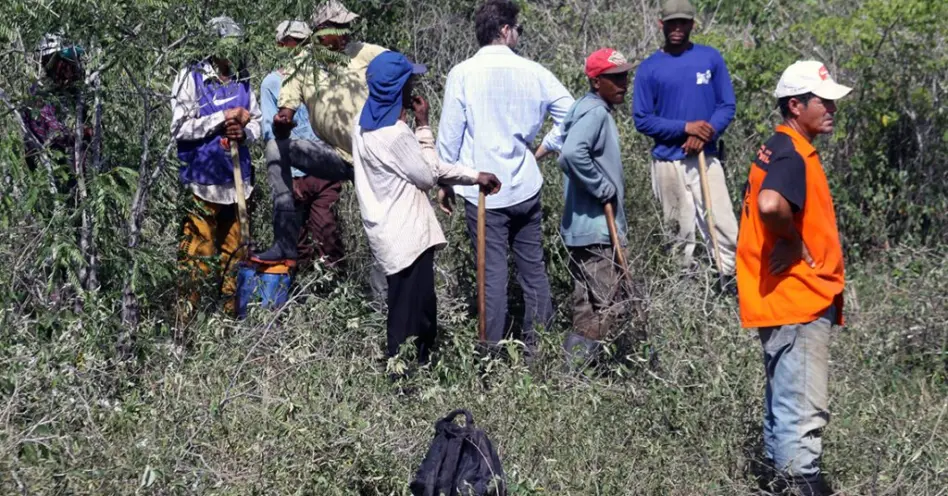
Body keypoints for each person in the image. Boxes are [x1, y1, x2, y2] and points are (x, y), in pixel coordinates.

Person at [736, 60, 852, 496]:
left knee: (782, 409)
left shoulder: (777, 147)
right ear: (795, 105)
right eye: (823, 102)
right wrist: (789, 236)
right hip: (798, 302)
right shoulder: (790, 152)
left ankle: (776, 482)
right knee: (802, 413)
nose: (832, 109)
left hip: (781, 302)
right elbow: (769, 205)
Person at [436, 0, 574, 351]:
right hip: (525, 185)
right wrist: (543, 149)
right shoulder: (535, 72)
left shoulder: (462, 73)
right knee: (534, 272)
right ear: (504, 30)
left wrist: (445, 182)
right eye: (518, 28)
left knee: (492, 276)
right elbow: (571, 114)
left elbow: (450, 136)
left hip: (482, 192)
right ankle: (537, 351)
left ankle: (489, 358)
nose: (519, 35)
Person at [352, 51, 501, 365]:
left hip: (387, 235)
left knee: (410, 308)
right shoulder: (395, 134)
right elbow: (428, 175)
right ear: (398, 89)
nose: (413, 88)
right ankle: (403, 382)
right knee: (410, 320)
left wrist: (474, 176)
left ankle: (411, 376)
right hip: (408, 238)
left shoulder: (362, 127)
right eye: (409, 82)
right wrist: (423, 127)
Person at [254, 0, 387, 268]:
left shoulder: (362, 52)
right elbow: (283, 114)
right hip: (329, 159)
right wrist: (283, 123)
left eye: (347, 27)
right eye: (338, 28)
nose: (345, 33)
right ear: (321, 31)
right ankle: (285, 245)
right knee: (275, 150)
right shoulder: (297, 68)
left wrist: (399, 108)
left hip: (371, 153)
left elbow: (400, 66)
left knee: (374, 227)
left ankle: (383, 292)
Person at [632, 0, 738, 285]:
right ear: (661, 25)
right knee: (679, 231)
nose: (677, 28)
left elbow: (726, 105)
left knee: (723, 224)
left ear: (692, 24)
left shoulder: (710, 58)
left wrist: (705, 133)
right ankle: (685, 293)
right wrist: (685, 128)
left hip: (707, 157)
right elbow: (642, 119)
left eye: (683, 23)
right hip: (668, 162)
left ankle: (728, 284)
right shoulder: (649, 69)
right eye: (671, 23)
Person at [171, 16, 262, 327]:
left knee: (235, 255)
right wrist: (223, 117)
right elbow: (180, 128)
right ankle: (185, 326)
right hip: (202, 185)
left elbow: (258, 124)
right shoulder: (191, 76)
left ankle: (228, 322)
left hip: (238, 185)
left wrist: (244, 131)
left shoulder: (244, 77)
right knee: (198, 255)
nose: (232, 53)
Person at [558, 48, 638, 365]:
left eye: (625, 76)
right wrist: (603, 187)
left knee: (587, 308)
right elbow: (571, 154)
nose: (623, 83)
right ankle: (576, 371)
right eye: (614, 78)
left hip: (582, 231)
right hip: (599, 230)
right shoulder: (595, 114)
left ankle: (574, 380)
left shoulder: (585, 110)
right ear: (595, 81)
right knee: (617, 304)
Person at [260, 20, 345, 272]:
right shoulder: (272, 83)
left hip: (325, 170)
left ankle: (334, 290)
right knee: (296, 242)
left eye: (303, 42)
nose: (298, 48)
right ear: (281, 45)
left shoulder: (325, 76)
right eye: (292, 42)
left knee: (327, 233)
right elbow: (268, 132)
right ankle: (301, 296)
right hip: (293, 175)